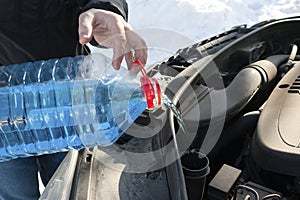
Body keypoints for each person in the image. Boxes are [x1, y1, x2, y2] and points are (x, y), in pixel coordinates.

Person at [0, 0, 147, 199]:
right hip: (5, 114)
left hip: (73, 102)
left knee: (75, 190)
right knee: (15, 195)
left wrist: (103, 8)